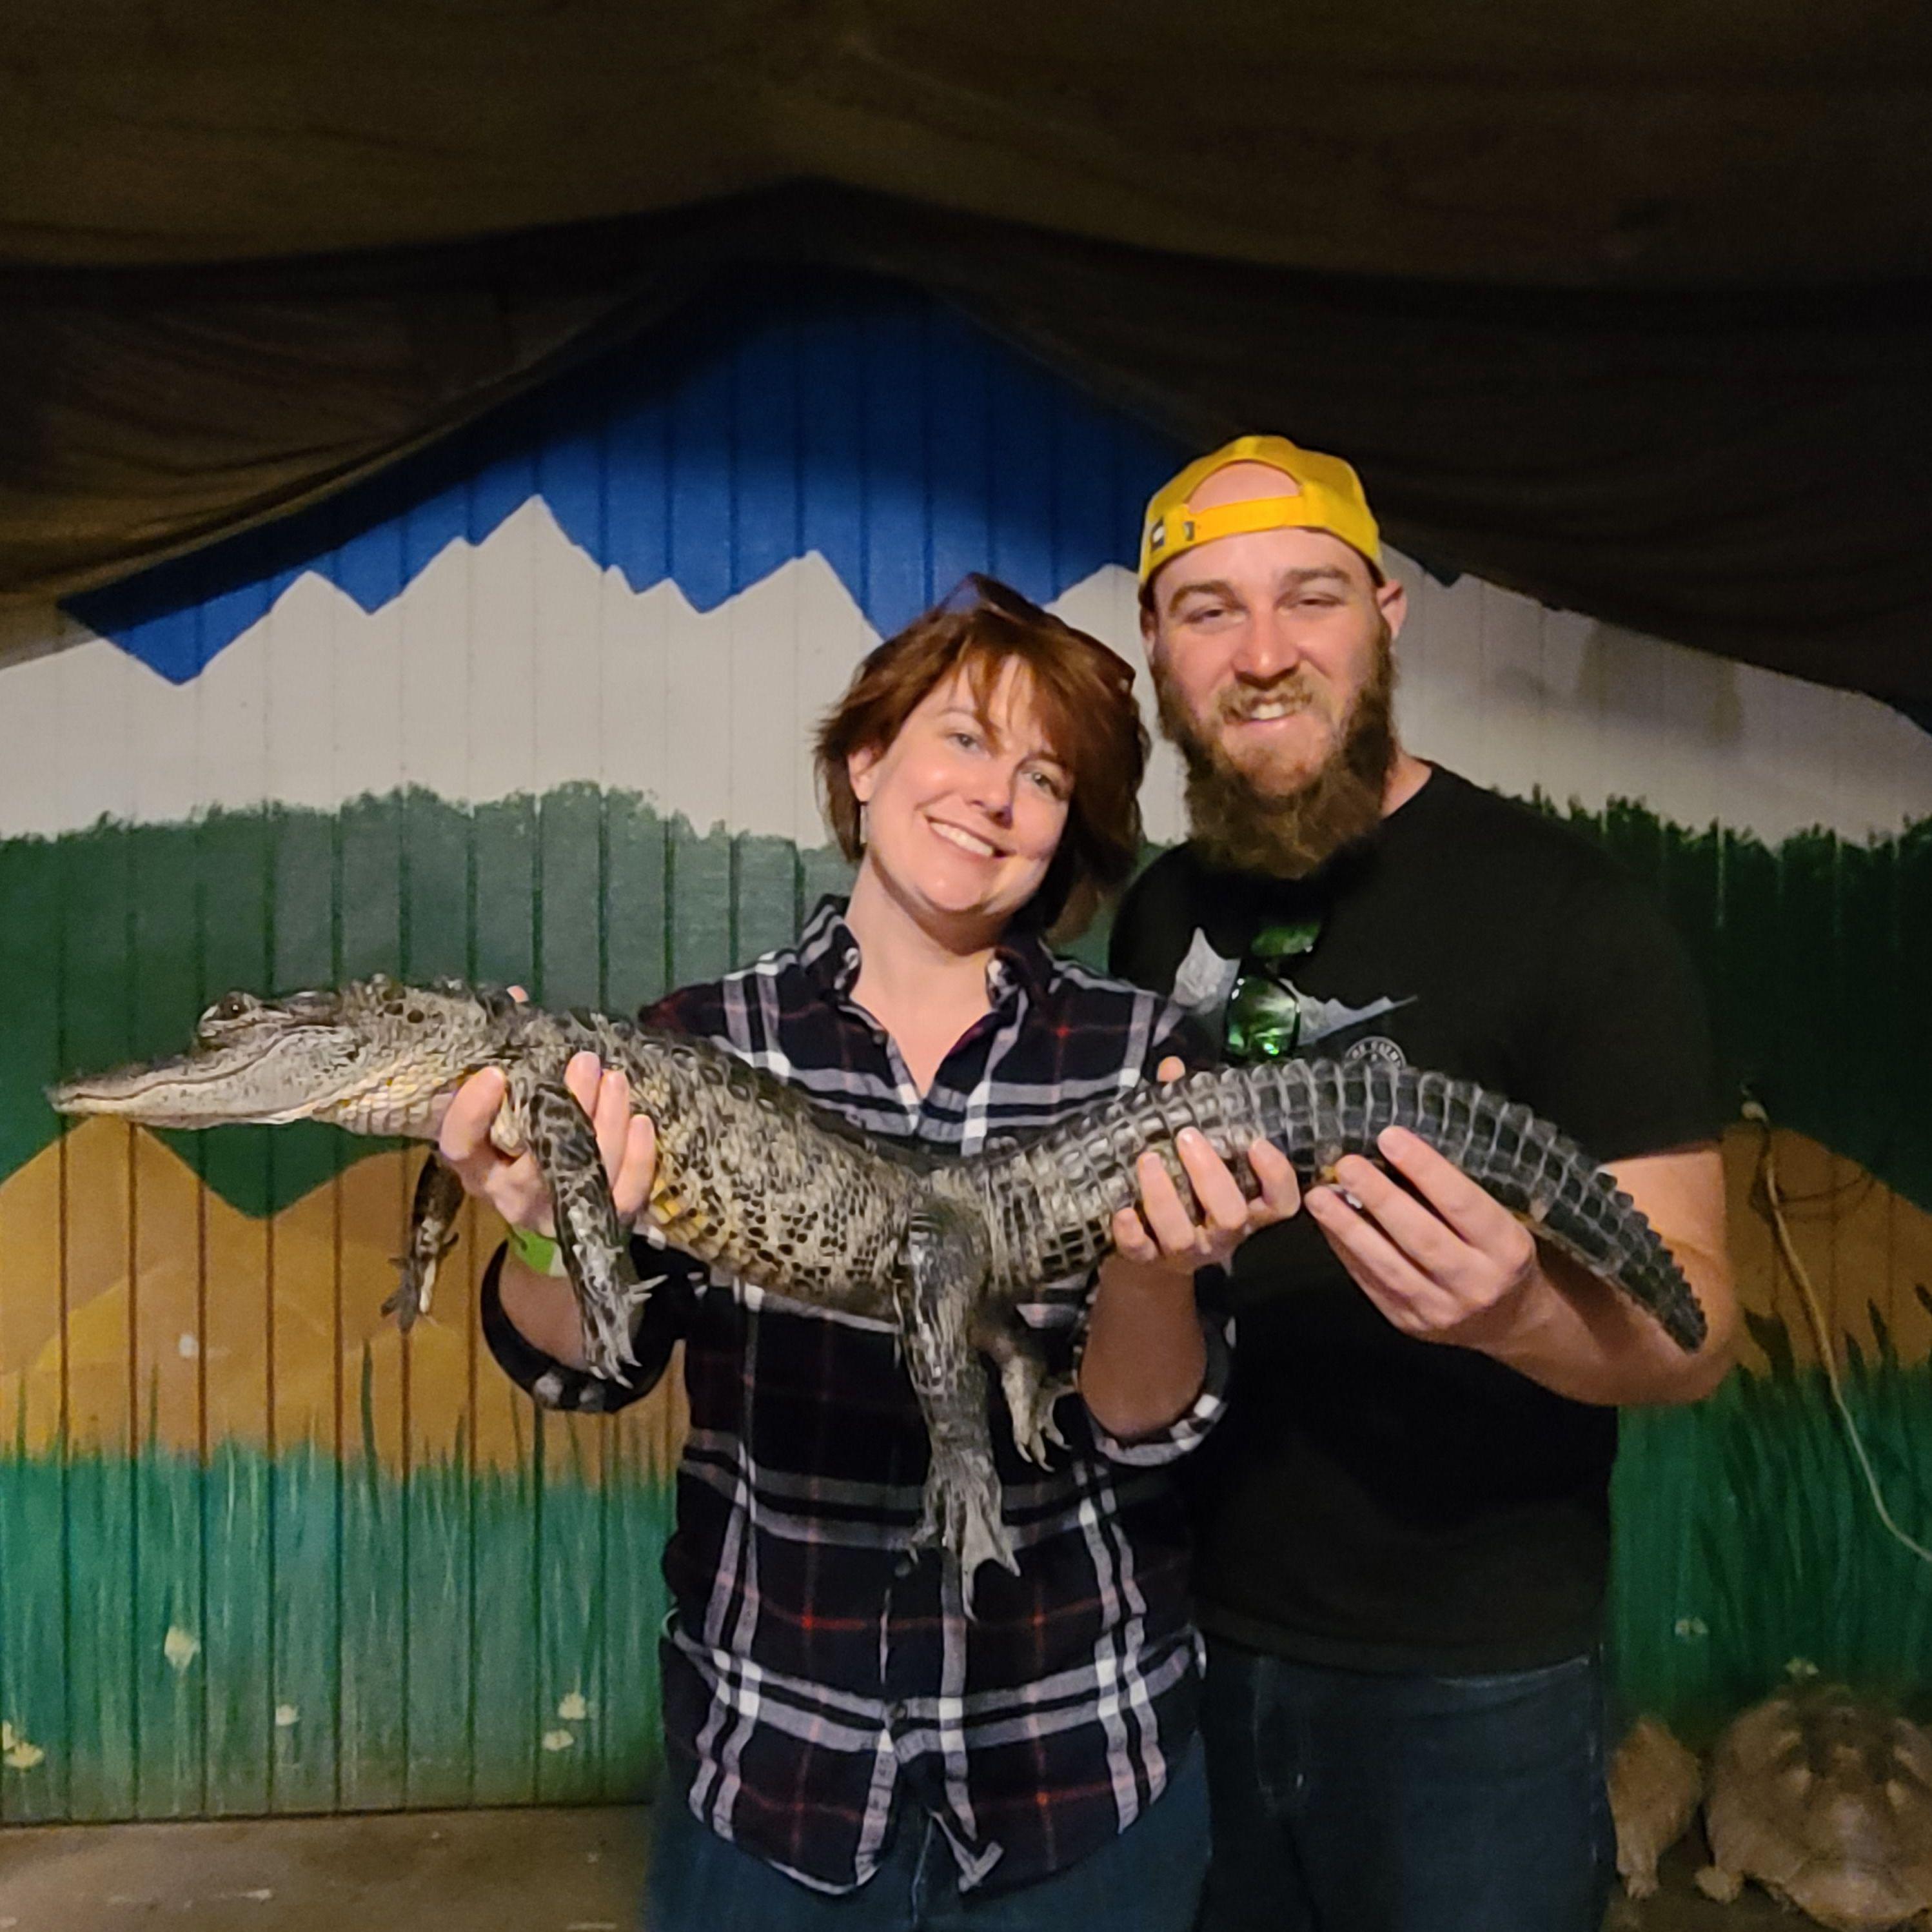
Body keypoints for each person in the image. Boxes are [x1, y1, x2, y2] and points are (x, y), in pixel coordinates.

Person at [436, 575, 1299, 1931]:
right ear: (865, 756)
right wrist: (546, 1223)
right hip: (775, 1771)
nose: (997, 796)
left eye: (1045, 775)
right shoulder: (695, 1041)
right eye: (962, 737)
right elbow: (598, 1369)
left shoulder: (1140, 1061)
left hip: (1075, 1770)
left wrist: (1145, 1264)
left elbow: (1144, 1429)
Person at [1109, 436, 1740, 1932]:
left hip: (1472, 1684)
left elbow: (1699, 1325)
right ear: (1155, 645)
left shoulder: (1570, 915)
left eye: (1308, 596)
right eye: (1207, 609)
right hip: (1175, 1645)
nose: (1263, 654)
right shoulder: (1156, 913)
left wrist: (1518, 1309)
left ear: (1386, 616)